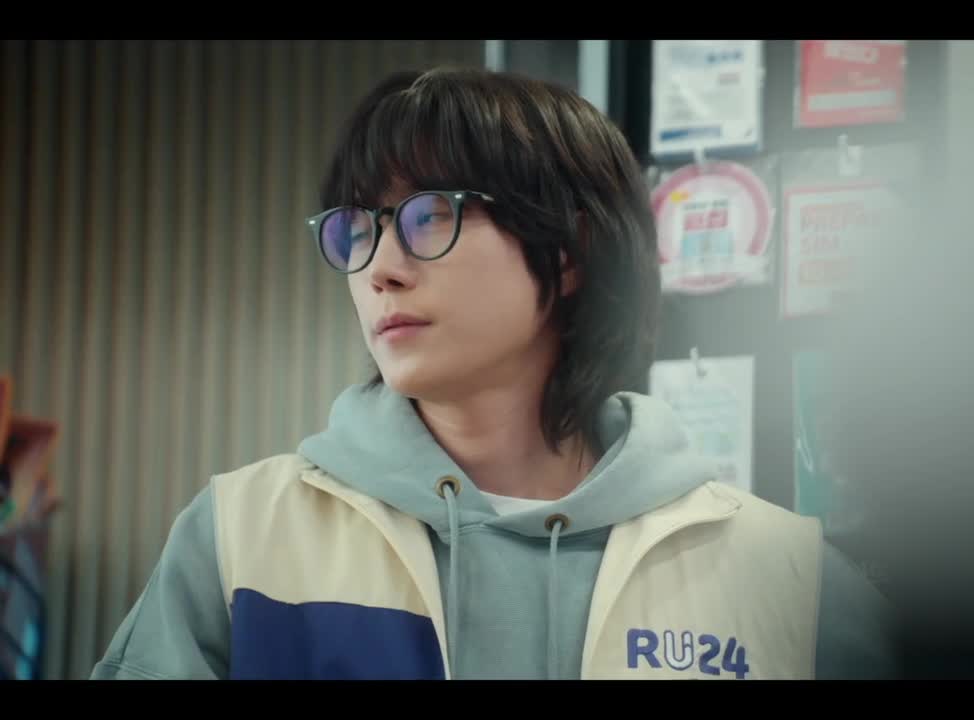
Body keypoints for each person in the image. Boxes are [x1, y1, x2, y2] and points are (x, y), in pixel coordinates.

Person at [90, 67, 896, 680]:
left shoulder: (789, 581)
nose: (379, 269)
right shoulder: (243, 538)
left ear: (570, 251)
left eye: (430, 215)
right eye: (357, 228)